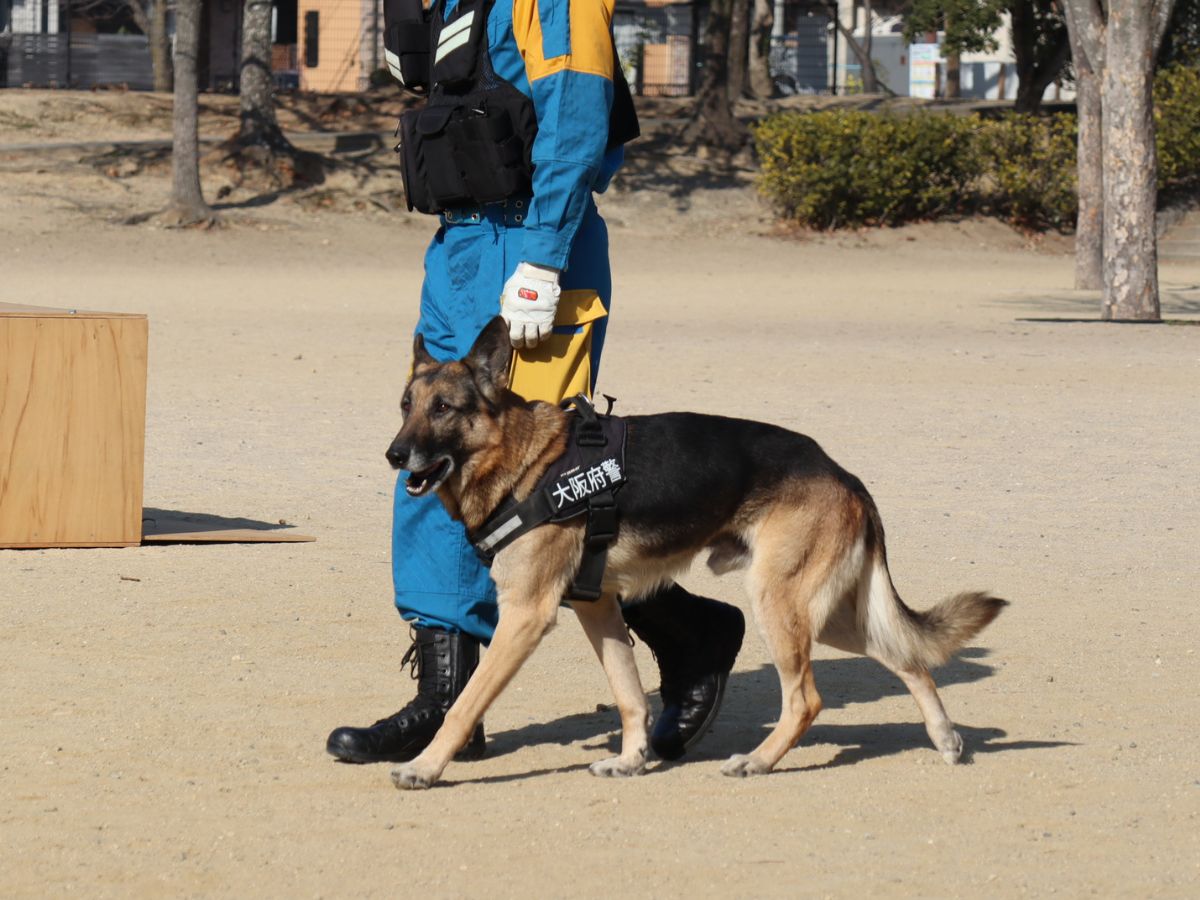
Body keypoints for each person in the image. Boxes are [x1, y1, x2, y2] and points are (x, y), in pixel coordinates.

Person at [327, 0, 744, 766]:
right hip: (461, 244)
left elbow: (578, 117)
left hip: (532, 240)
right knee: (431, 461)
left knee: (554, 482)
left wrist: (545, 254)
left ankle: (690, 634)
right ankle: (447, 700)